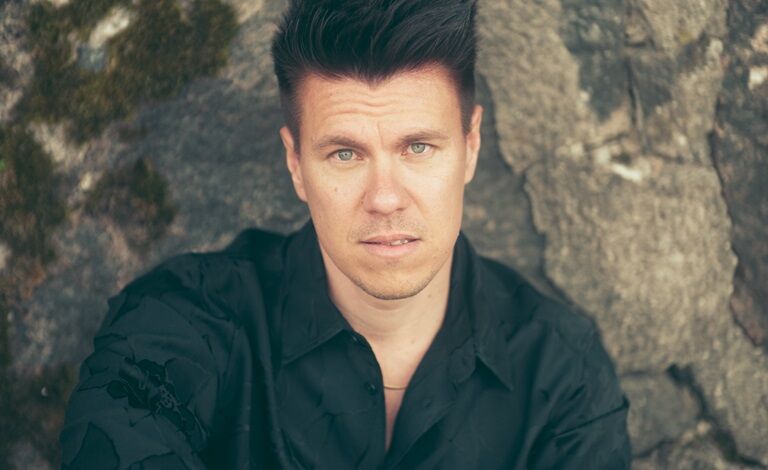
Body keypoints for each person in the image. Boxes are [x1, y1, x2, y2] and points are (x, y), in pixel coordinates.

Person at [59, 0, 632, 468]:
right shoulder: (177, 324)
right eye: (345, 153)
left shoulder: (563, 375)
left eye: (418, 147)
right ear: (295, 164)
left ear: (471, 146)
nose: (384, 197)